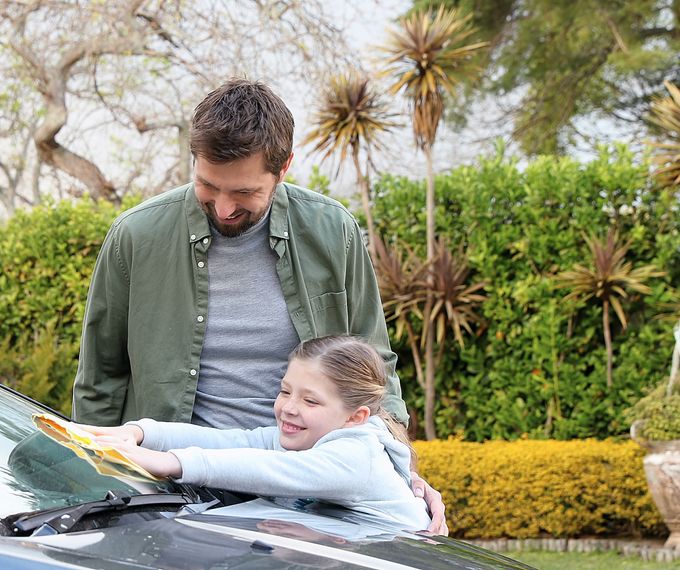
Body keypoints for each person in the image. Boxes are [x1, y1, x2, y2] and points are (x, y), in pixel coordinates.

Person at [71, 78, 446, 533]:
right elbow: (101, 380)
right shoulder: (136, 237)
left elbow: (373, 367)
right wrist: (90, 483)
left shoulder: (333, 232)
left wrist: (401, 470)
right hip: (172, 496)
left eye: (244, 193)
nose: (224, 209)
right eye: (208, 186)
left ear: (284, 167)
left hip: (308, 494)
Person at [78, 336, 431, 531]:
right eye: (285, 391)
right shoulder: (309, 437)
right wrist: (142, 432)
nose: (289, 407)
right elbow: (235, 441)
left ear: (356, 416)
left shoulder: (358, 457)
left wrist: (171, 463)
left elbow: (269, 470)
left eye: (311, 400)